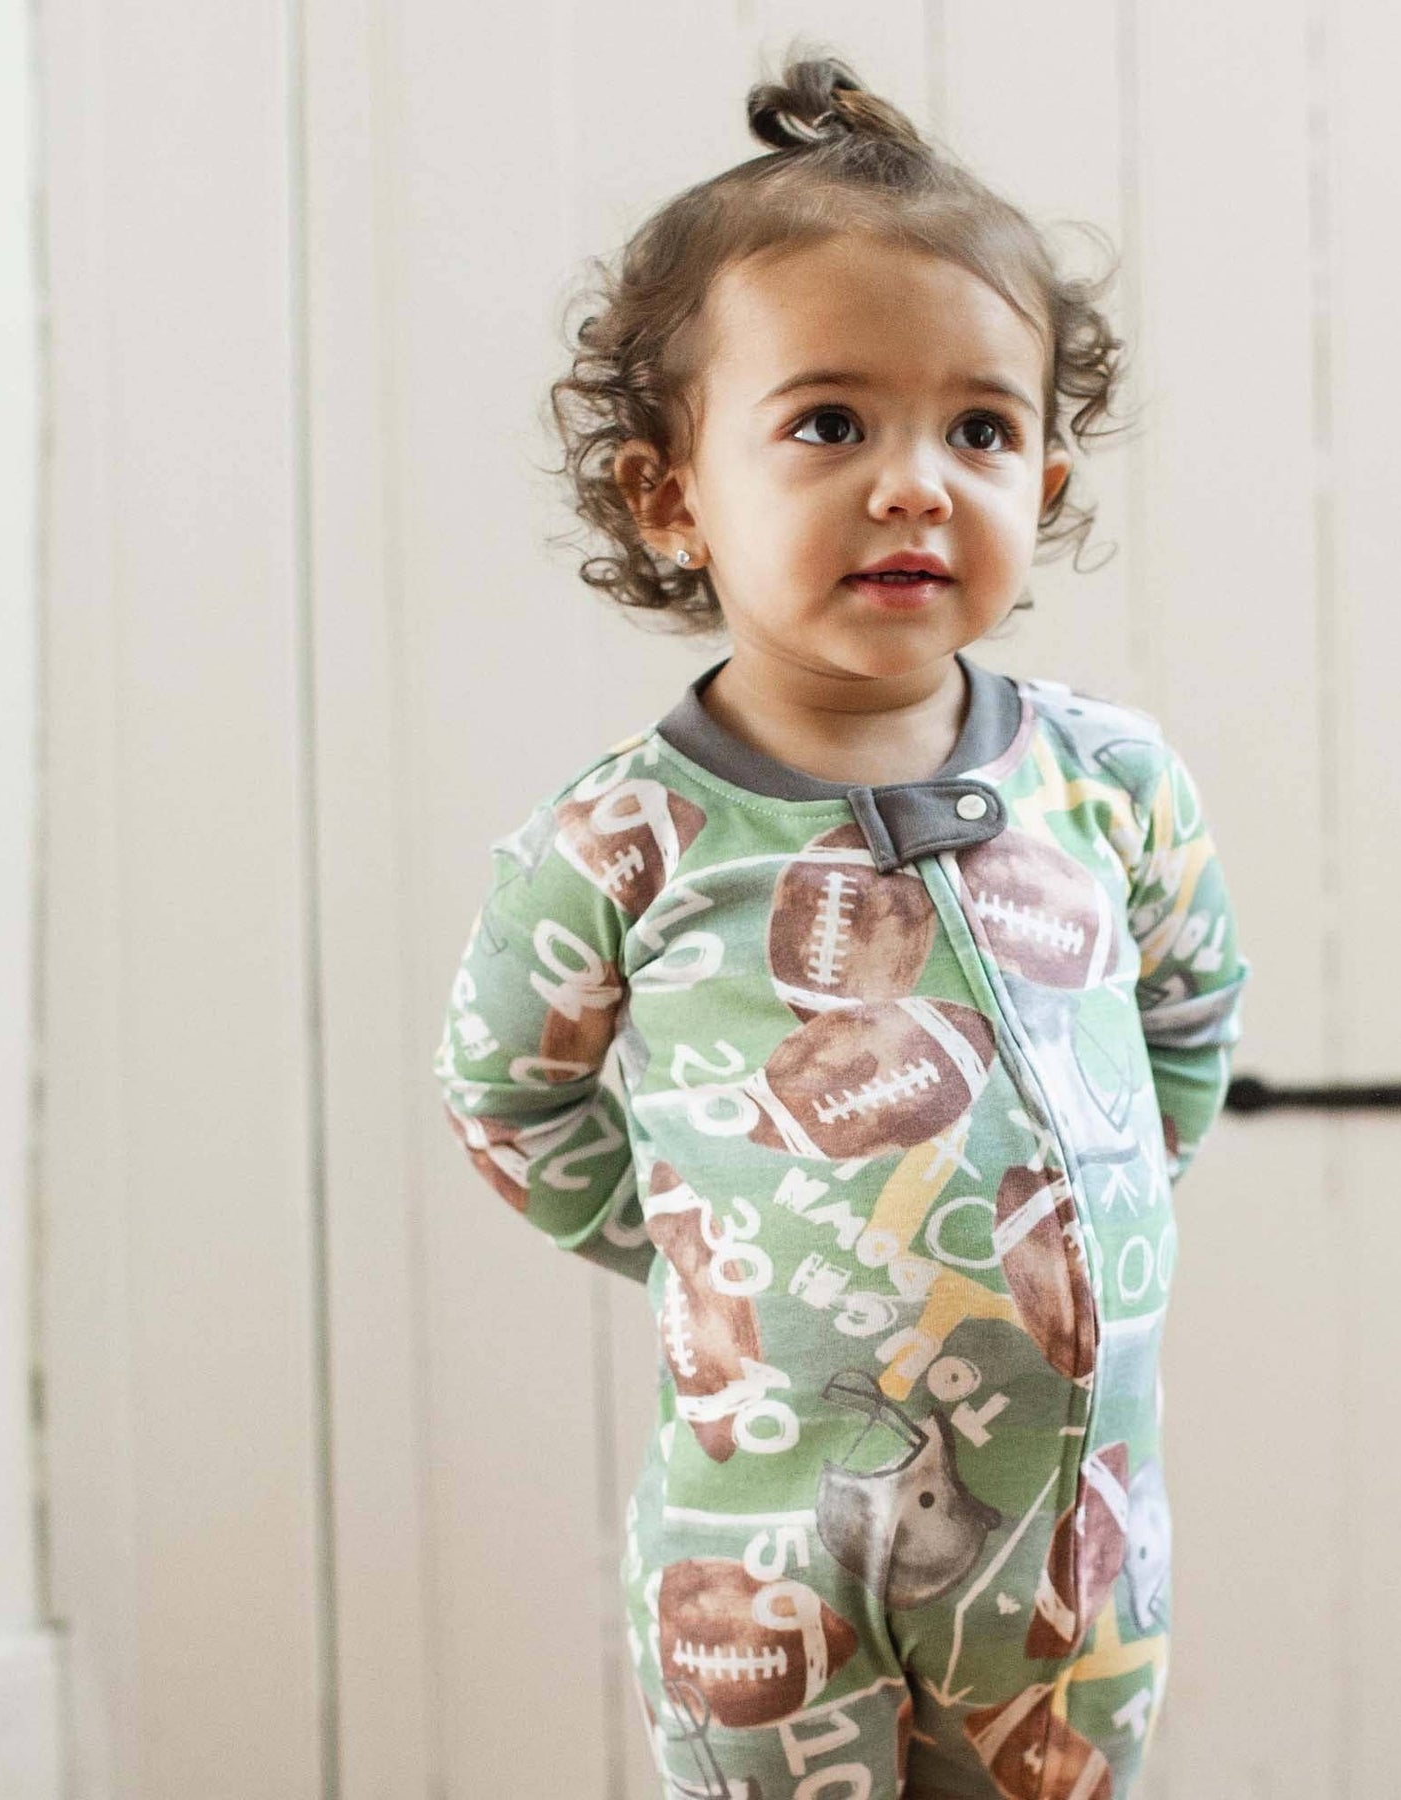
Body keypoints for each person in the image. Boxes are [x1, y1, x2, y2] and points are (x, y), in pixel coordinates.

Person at [432, 44, 1250, 1800]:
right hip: (767, 1563)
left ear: (1044, 481)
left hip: (1070, 1564)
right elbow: (507, 1097)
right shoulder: (622, 841)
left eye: (982, 430)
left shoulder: (1113, 784)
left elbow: (1189, 1012)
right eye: (828, 425)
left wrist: (1101, 1203)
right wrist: (715, 1253)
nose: (916, 483)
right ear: (670, 495)